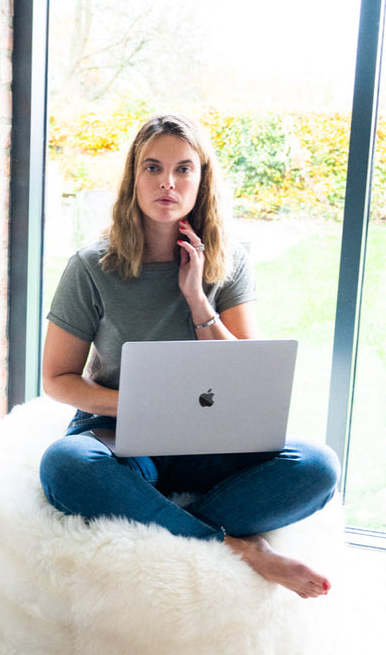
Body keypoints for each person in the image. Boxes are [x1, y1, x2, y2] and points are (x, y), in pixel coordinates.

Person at [40, 113, 340, 600]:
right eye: (153, 167)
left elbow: (243, 376)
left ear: (202, 180)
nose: (167, 182)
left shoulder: (232, 260)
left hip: (210, 441)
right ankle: (236, 546)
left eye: (184, 169)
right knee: (65, 467)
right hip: (122, 439)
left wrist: (198, 298)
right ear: (133, 177)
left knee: (318, 467)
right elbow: (57, 378)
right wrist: (137, 406)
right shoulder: (91, 266)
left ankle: (159, 519)